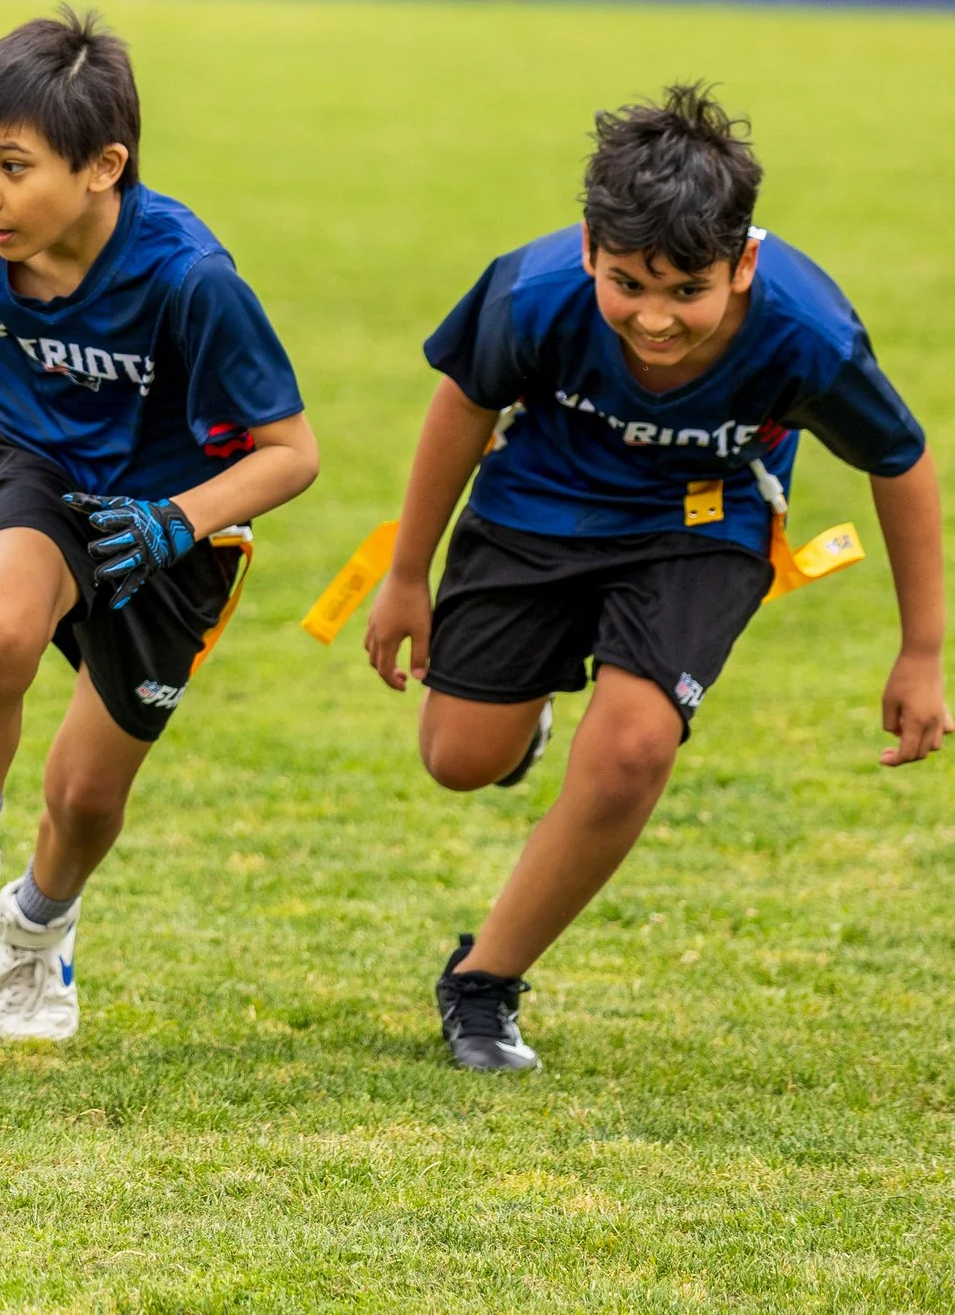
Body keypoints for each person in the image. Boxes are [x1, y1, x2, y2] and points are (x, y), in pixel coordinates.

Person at [365, 83, 945, 1073]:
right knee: (459, 759)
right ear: (590, 247)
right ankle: (525, 716)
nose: (655, 317)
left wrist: (922, 651)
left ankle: (484, 983)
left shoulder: (805, 331)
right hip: (538, 501)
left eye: (687, 291)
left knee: (632, 749)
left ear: (742, 262)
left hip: (702, 520)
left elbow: (900, 460)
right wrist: (405, 575)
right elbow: (464, 403)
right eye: (628, 283)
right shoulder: (532, 291)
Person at [0, 9, 319, 1042]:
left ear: (104, 166)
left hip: (180, 528)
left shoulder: (190, 278)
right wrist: (10, 412)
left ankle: (36, 927)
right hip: (51, 478)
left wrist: (172, 522)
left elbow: (292, 452)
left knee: (84, 800)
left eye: (12, 165)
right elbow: (3, 333)